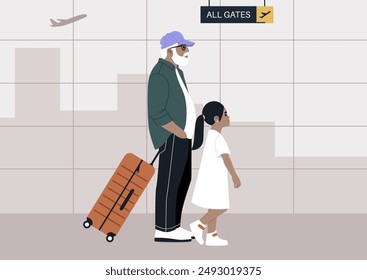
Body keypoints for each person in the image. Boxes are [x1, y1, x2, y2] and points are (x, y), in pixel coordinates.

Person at [147, 31, 196, 242]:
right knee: (169, 182)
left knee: (182, 180)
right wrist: (179, 131)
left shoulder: (177, 72)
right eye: (183, 48)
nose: (187, 53)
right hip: (171, 136)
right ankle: (164, 229)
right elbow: (157, 111)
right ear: (170, 50)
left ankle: (173, 226)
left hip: (183, 137)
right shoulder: (160, 73)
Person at [190, 101, 241, 246]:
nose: (229, 117)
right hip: (215, 179)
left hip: (211, 177)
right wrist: (234, 175)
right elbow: (226, 159)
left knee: (213, 206)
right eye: (225, 114)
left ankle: (212, 236)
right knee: (221, 206)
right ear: (216, 119)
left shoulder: (212, 136)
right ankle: (199, 225)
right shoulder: (218, 138)